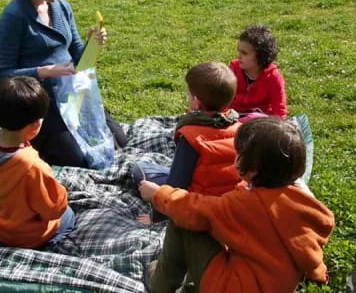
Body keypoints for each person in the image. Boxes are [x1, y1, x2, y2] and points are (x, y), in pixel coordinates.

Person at [139, 117, 335, 293]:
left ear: (251, 170)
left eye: (238, 152)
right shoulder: (303, 202)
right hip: (273, 285)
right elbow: (308, 251)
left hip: (232, 287)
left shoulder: (246, 205)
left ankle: (160, 285)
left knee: (181, 219)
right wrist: (318, 274)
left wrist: (158, 193)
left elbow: (194, 210)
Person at [0, 0, 126, 168]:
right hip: (41, 104)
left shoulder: (61, 8)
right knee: (81, 161)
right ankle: (42, 140)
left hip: (72, 94)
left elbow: (76, 54)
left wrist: (92, 44)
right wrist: (44, 72)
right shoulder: (14, 17)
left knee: (119, 142)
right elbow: (3, 74)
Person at [0, 76, 75, 249]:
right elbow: (54, 209)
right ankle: (47, 249)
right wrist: (61, 192)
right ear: (34, 126)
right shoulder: (32, 166)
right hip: (28, 237)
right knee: (68, 216)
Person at [134, 62, 241, 197]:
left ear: (196, 102)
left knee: (139, 169)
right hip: (229, 199)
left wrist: (157, 206)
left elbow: (176, 185)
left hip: (195, 202)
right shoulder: (241, 130)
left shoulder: (191, 136)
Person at [229, 24, 288, 121]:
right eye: (238, 51)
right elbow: (221, 100)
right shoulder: (233, 71)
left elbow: (279, 111)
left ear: (261, 56)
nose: (239, 56)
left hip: (259, 122)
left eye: (244, 53)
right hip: (233, 117)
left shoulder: (273, 77)